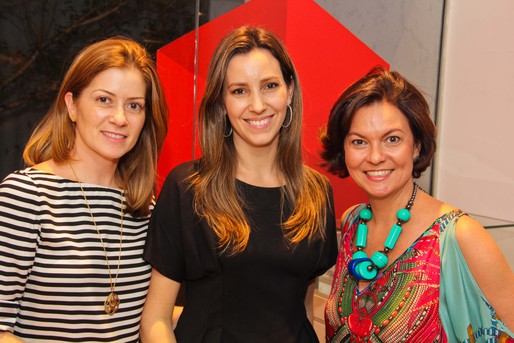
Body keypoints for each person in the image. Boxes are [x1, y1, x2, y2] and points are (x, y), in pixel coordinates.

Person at [140, 26, 337, 343]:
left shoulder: (317, 192)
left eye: (270, 86)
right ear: (222, 102)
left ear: (289, 90)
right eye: (240, 91)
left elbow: (302, 308)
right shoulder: (188, 187)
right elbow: (156, 319)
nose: (258, 105)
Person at [320, 66, 514, 342]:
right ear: (344, 150)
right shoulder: (352, 222)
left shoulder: (458, 235)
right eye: (359, 141)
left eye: (392, 139)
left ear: (417, 146)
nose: (375, 157)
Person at [0, 37, 168, 342]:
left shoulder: (144, 207)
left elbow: (144, 316)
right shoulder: (25, 196)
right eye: (104, 100)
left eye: (134, 106)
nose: (119, 119)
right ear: (72, 106)